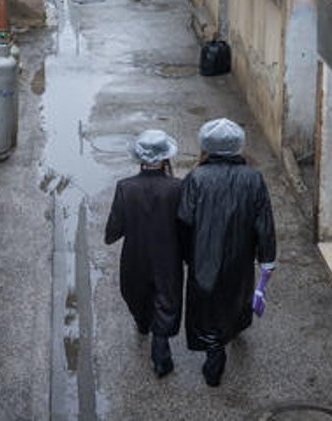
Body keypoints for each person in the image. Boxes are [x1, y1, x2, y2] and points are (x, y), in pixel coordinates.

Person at [177, 118, 277, 387]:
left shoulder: (196, 178)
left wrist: (187, 256)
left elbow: (184, 221)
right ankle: (232, 330)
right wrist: (267, 260)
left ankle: (214, 354)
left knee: (207, 305)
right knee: (235, 296)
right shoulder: (253, 179)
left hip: (203, 257)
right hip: (240, 256)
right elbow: (264, 225)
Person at [104, 128, 184, 377]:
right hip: (168, 256)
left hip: (135, 255)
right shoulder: (177, 187)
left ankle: (142, 323)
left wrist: (112, 233)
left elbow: (114, 229)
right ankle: (161, 350)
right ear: (165, 157)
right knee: (166, 298)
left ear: (140, 158)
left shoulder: (125, 187)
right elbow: (185, 225)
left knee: (136, 292)